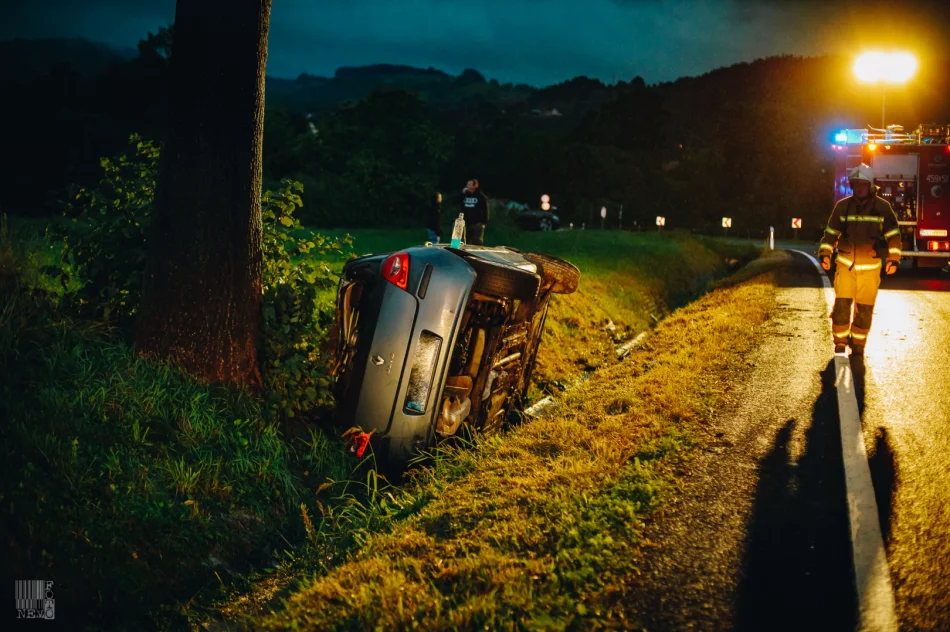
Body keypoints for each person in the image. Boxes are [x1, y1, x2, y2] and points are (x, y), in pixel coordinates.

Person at [818, 163, 901, 356]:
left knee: (864, 309)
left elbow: (894, 235)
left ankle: (858, 343)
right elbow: (830, 233)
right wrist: (825, 254)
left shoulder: (882, 207)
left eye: (862, 184)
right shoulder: (843, 207)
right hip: (846, 266)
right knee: (841, 306)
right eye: (855, 184)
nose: (859, 188)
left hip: (871, 268)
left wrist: (893, 258)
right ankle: (839, 341)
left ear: (870, 185)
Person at [461, 179, 489, 245]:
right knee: (464, 242)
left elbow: (485, 210)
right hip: (465, 222)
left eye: (469, 184)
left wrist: (484, 222)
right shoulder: (464, 195)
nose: (467, 186)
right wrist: (462, 194)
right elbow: (456, 202)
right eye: (467, 184)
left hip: (477, 223)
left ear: (474, 186)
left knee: (476, 242)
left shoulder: (481, 197)